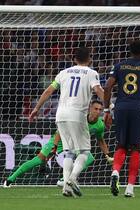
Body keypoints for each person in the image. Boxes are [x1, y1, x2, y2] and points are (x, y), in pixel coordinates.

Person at [29, 47, 104, 197]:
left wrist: (36, 108)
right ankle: (72, 179)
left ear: (74, 59)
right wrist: (109, 107)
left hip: (61, 115)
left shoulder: (63, 73)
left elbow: (49, 91)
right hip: (77, 115)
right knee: (84, 152)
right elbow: (98, 91)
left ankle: (66, 188)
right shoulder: (91, 73)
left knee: (69, 152)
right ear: (89, 59)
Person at [3, 100, 113, 188]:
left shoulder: (99, 125)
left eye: (100, 110)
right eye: (95, 109)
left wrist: (107, 155)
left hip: (75, 143)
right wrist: (54, 147)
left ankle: (63, 180)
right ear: (89, 108)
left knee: (89, 158)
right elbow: (60, 131)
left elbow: (100, 140)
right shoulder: (78, 117)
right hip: (60, 139)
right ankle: (10, 179)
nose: (98, 112)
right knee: (39, 160)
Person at [104, 40, 140, 197]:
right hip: (138, 109)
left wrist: (106, 109)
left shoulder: (119, 66)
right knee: (135, 147)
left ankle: (115, 171)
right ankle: (130, 188)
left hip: (121, 108)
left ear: (129, 51)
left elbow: (108, 86)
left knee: (121, 145)